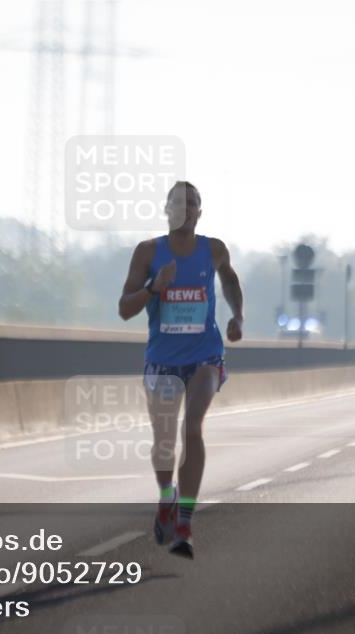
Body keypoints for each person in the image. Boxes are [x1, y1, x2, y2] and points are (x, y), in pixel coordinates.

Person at [118, 181, 244, 559]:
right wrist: (155, 288)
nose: (185, 210)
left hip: (205, 356)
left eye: (192, 205)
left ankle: (185, 522)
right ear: (167, 210)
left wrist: (238, 316)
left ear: (199, 213)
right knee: (165, 442)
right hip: (162, 360)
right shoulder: (147, 252)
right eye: (177, 204)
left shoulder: (214, 249)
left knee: (193, 427)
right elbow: (125, 308)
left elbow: (231, 281)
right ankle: (166, 498)